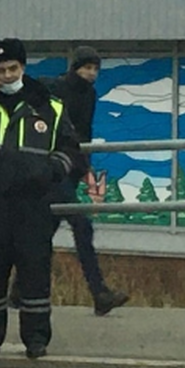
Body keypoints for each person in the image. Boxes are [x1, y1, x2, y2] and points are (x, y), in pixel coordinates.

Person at [0, 38, 83, 360]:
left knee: (34, 272)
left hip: (32, 204)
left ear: (23, 67)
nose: (8, 75)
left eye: (13, 68)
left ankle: (36, 339)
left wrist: (50, 170)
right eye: (1, 70)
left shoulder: (48, 105)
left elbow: (69, 149)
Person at [41, 46, 130, 316]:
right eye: (87, 68)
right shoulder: (56, 88)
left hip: (72, 169)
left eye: (95, 69)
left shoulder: (90, 94)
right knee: (82, 225)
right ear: (75, 67)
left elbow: (85, 131)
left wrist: (84, 164)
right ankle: (99, 292)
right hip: (54, 169)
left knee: (44, 232)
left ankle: (18, 291)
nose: (91, 74)